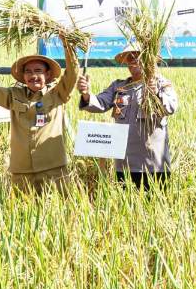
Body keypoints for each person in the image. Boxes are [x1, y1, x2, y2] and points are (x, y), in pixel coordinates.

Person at [0, 35, 78, 193]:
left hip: (53, 169)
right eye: (28, 72)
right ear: (23, 76)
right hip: (21, 172)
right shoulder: (14, 95)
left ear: (48, 75)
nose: (33, 75)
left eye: (38, 71)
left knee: (57, 214)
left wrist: (68, 46)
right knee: (22, 214)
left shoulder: (58, 93)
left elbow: (72, 73)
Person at [76, 44, 178, 189]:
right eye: (130, 57)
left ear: (149, 59)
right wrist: (86, 94)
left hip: (153, 164)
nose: (134, 60)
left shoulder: (161, 84)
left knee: (155, 207)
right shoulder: (119, 86)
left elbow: (171, 108)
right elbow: (100, 103)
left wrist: (155, 93)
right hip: (124, 164)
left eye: (139, 56)